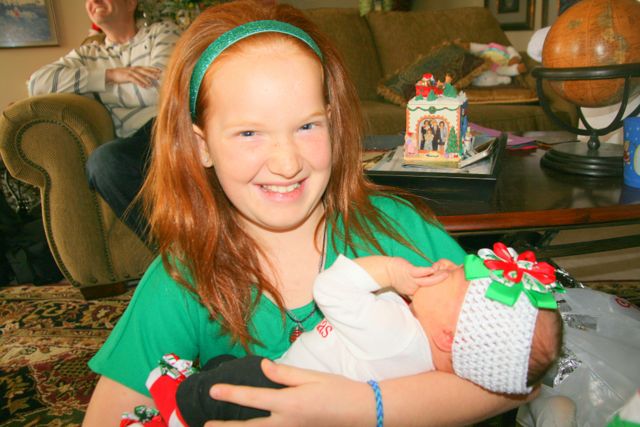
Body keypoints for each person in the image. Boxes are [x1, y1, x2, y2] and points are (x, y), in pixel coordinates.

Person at [83, 1, 536, 425]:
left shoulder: (398, 228)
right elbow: (109, 413)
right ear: (202, 146)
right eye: (248, 133)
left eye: (306, 126)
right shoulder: (184, 276)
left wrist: (365, 407)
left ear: (333, 123)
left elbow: (521, 371)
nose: (287, 163)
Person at [136, 245, 563, 426]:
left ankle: (175, 409)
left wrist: (391, 270)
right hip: (305, 400)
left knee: (235, 379)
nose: (445, 265)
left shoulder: (397, 333)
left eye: (452, 277)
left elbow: (331, 288)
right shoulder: (423, 359)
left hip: (283, 392)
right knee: (226, 367)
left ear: (449, 337)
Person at [27, 0, 180, 239]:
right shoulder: (88, 54)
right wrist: (110, 76)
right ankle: (173, 249)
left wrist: (97, 91)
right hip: (135, 143)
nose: (94, 2)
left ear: (130, 3)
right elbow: (37, 83)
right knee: (103, 162)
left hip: (173, 128)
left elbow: (158, 90)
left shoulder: (162, 33)